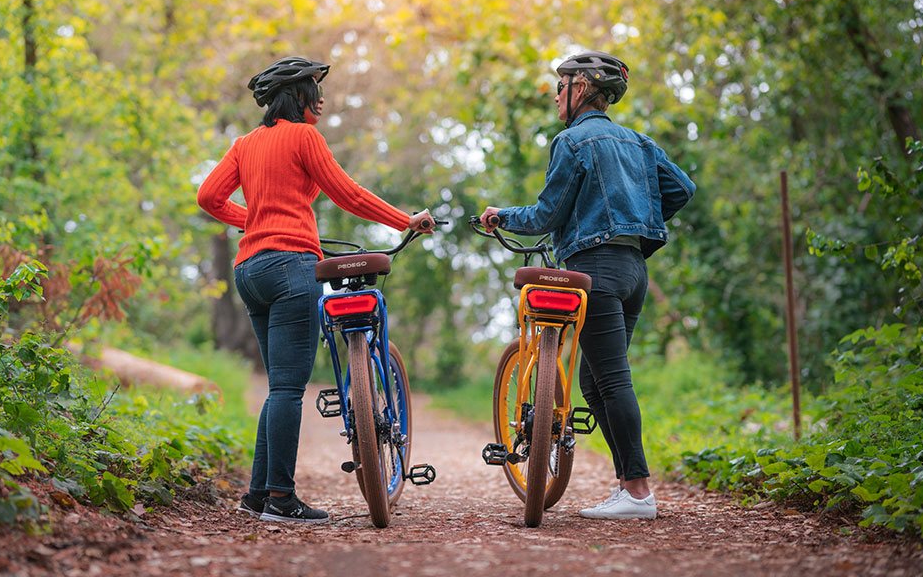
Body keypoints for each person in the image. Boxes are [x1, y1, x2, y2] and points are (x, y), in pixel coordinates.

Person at [197, 56, 434, 524]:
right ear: (296, 97)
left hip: (250, 270)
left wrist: (255, 221)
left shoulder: (245, 144)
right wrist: (406, 220)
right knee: (287, 388)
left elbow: (208, 197)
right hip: (290, 266)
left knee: (276, 389)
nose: (321, 100)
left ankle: (258, 495)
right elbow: (348, 194)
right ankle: (282, 500)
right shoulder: (305, 137)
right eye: (314, 90)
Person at [480, 50, 695, 520]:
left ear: (580, 88)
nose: (556, 95)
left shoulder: (572, 141)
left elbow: (546, 216)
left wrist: (501, 215)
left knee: (612, 380)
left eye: (561, 86)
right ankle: (628, 488)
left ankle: (638, 493)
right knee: (595, 383)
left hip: (593, 271)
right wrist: (643, 222)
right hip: (633, 270)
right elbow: (682, 189)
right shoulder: (639, 143)